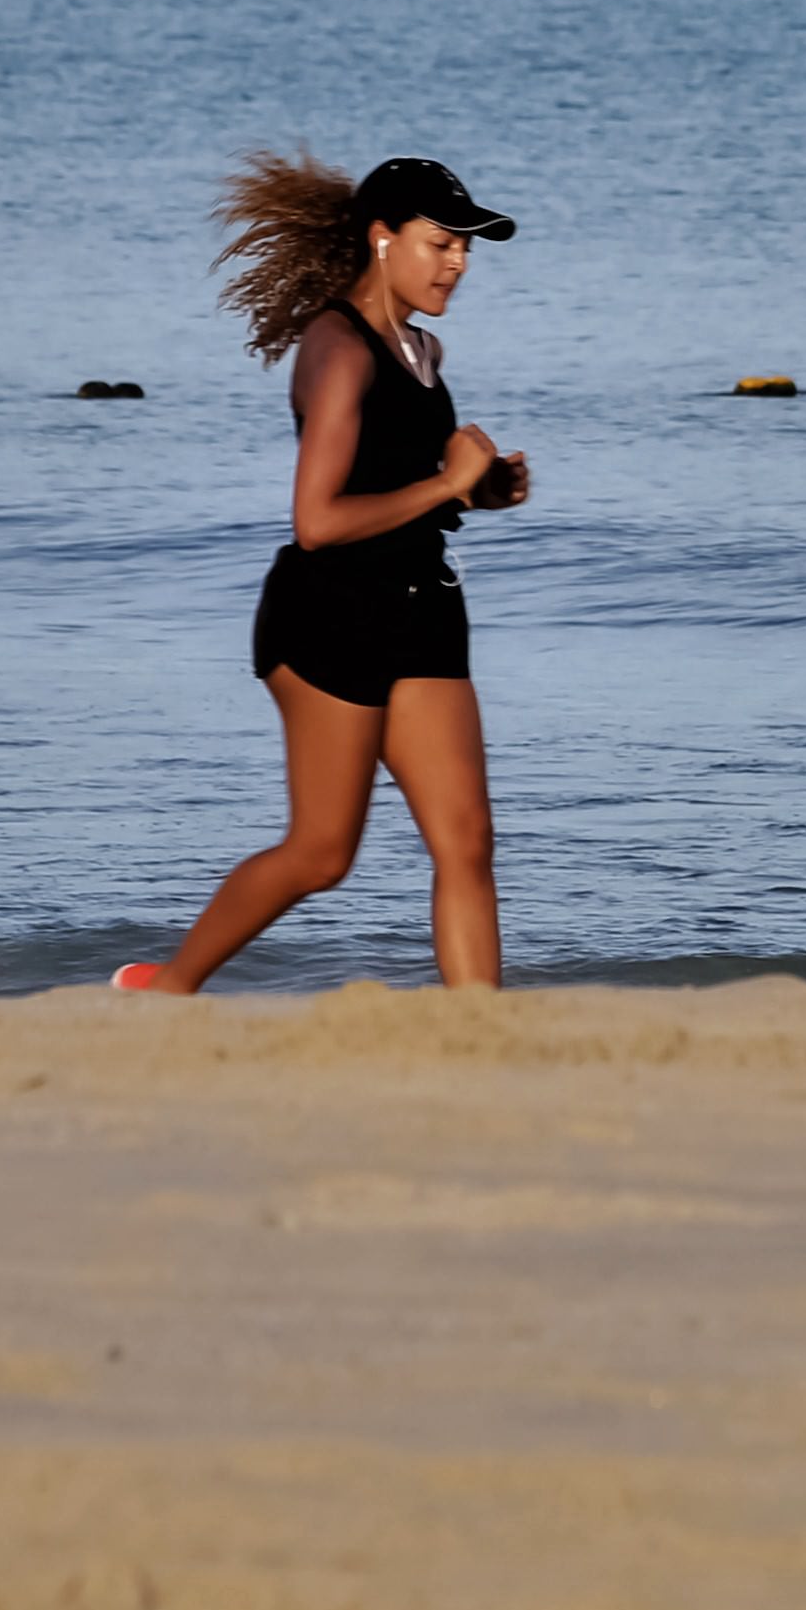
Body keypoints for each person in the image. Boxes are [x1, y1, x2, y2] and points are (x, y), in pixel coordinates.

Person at [116, 150, 532, 993]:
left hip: (421, 607)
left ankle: (483, 1034)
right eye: (441, 243)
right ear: (382, 238)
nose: (458, 262)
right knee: (321, 853)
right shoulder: (337, 349)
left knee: (467, 842)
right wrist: (445, 483)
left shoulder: (422, 349)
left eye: (465, 248)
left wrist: (480, 490)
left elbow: (401, 485)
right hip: (331, 617)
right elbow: (317, 523)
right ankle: (167, 987)